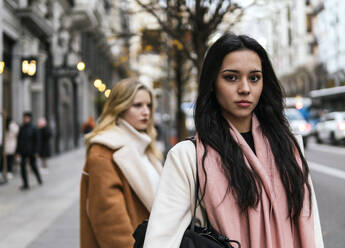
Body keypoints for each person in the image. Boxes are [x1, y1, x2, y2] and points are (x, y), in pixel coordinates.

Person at [143, 33, 324, 248]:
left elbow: (311, 227)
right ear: (212, 83)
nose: (245, 88)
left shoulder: (289, 146)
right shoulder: (187, 156)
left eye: (254, 78)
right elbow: (159, 241)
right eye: (231, 77)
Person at [80, 78, 163, 248]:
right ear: (120, 108)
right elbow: (110, 225)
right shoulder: (104, 152)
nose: (146, 112)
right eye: (137, 105)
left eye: (149, 105)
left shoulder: (146, 148)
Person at [16, 112, 42, 190]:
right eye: (25, 117)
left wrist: (36, 151)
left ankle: (39, 179)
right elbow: (19, 140)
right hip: (23, 151)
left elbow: (37, 141)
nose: (26, 119)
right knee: (22, 167)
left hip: (32, 151)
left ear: (30, 118)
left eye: (27, 118)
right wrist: (17, 152)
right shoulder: (22, 127)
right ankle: (25, 184)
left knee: (33, 166)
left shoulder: (34, 128)